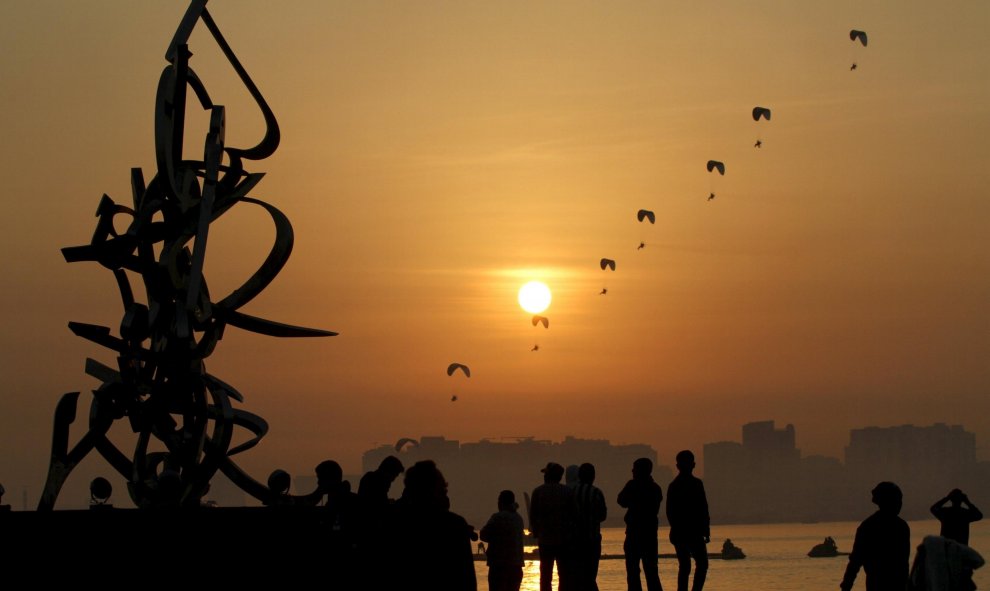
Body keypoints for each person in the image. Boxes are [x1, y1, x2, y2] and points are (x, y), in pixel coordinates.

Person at [391, 459, 477, 591]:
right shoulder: (455, 525)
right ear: (436, 491)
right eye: (443, 489)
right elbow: (467, 579)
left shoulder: (395, 523)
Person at [840, 481, 910, 591]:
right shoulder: (899, 526)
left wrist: (846, 585)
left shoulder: (869, 525)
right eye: (897, 500)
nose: (900, 504)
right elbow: (855, 561)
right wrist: (846, 585)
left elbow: (855, 561)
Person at [617, 457, 664, 591]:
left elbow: (621, 501)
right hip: (650, 535)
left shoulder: (632, 485)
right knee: (652, 572)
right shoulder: (655, 488)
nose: (632, 471)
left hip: (634, 534)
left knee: (633, 573)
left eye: (634, 468)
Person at [666, 450, 710, 591]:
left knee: (686, 566)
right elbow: (703, 508)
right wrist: (705, 529)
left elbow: (670, 512)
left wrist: (705, 529)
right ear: (693, 465)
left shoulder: (676, 485)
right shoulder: (693, 484)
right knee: (698, 565)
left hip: (686, 532)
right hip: (690, 532)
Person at [530, 462, 571, 591]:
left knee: (545, 575)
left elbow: (533, 515)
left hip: (545, 539)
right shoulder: (567, 491)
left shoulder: (538, 491)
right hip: (564, 539)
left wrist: (536, 532)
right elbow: (574, 514)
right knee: (564, 575)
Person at [572, 463, 607, 591]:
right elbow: (603, 515)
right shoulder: (596, 492)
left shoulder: (572, 492)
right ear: (593, 476)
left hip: (574, 541)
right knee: (590, 576)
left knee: (577, 576)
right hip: (592, 540)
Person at [481, 490, 525, 591]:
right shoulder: (519, 519)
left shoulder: (497, 517)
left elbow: (484, 535)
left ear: (501, 502)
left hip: (499, 566)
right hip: (516, 566)